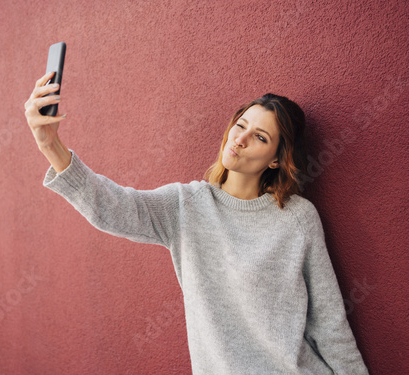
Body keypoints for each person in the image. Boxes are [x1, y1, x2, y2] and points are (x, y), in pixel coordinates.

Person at [24, 71, 369, 374]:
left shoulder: (297, 219)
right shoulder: (187, 206)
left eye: (260, 138)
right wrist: (51, 144)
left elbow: (329, 324)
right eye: (241, 125)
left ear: (278, 159)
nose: (240, 139)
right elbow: (113, 208)